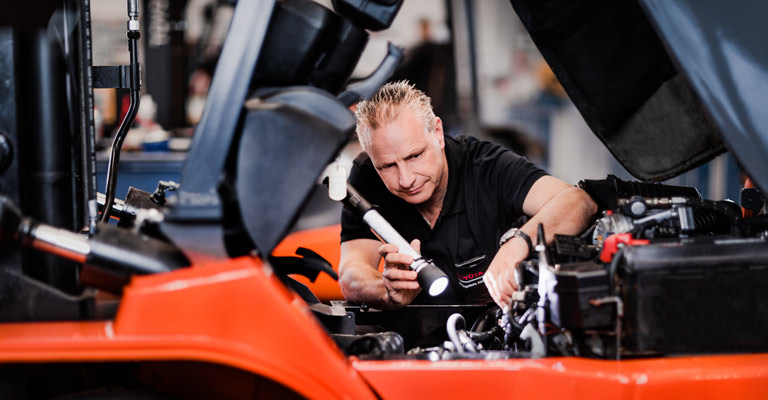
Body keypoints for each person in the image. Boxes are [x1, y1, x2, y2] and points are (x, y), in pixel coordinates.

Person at [339, 81, 597, 311]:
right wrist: (386, 290)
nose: (406, 179)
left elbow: (578, 201)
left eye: (415, 156)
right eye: (387, 166)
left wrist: (519, 242)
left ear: (437, 132)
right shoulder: (366, 177)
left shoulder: (486, 167)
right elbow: (351, 272)